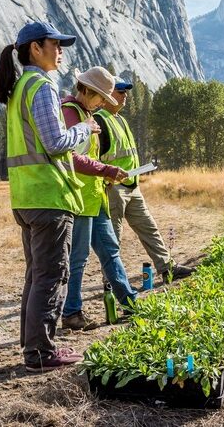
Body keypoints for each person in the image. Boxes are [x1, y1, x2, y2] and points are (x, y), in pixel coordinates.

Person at [0, 21, 99, 373]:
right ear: (35, 49)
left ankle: (36, 344)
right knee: (52, 275)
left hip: (26, 196)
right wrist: (84, 128)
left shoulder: (19, 87)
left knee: (37, 274)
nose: (61, 51)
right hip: (48, 195)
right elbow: (55, 143)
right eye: (55, 44)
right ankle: (40, 351)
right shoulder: (40, 86)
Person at [94, 77, 194, 284]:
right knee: (113, 238)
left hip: (132, 186)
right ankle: (111, 283)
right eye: (120, 92)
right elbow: (93, 159)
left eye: (126, 92)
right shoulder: (99, 121)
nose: (125, 96)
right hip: (113, 189)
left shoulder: (120, 119)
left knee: (149, 227)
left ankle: (167, 268)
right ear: (107, 95)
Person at [61, 67, 138, 330]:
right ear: (86, 91)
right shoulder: (70, 113)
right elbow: (71, 156)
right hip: (80, 198)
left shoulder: (87, 113)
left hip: (96, 196)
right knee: (78, 258)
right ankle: (72, 312)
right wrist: (105, 170)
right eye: (101, 97)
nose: (104, 103)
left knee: (110, 250)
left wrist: (104, 174)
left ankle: (130, 302)